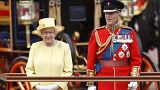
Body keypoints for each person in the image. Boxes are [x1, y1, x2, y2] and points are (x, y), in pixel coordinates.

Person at [86, 0, 142, 90]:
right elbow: (91, 61)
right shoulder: (97, 33)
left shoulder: (129, 32)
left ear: (119, 13)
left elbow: (135, 59)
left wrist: (134, 79)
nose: (108, 16)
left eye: (111, 13)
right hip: (104, 80)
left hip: (124, 79)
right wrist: (90, 82)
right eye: (106, 13)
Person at [25, 18, 73, 90]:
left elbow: (68, 71)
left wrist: (55, 86)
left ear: (55, 33)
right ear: (41, 34)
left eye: (50, 32)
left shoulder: (65, 47)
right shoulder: (34, 47)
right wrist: (37, 86)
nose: (48, 35)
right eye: (45, 32)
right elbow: (29, 69)